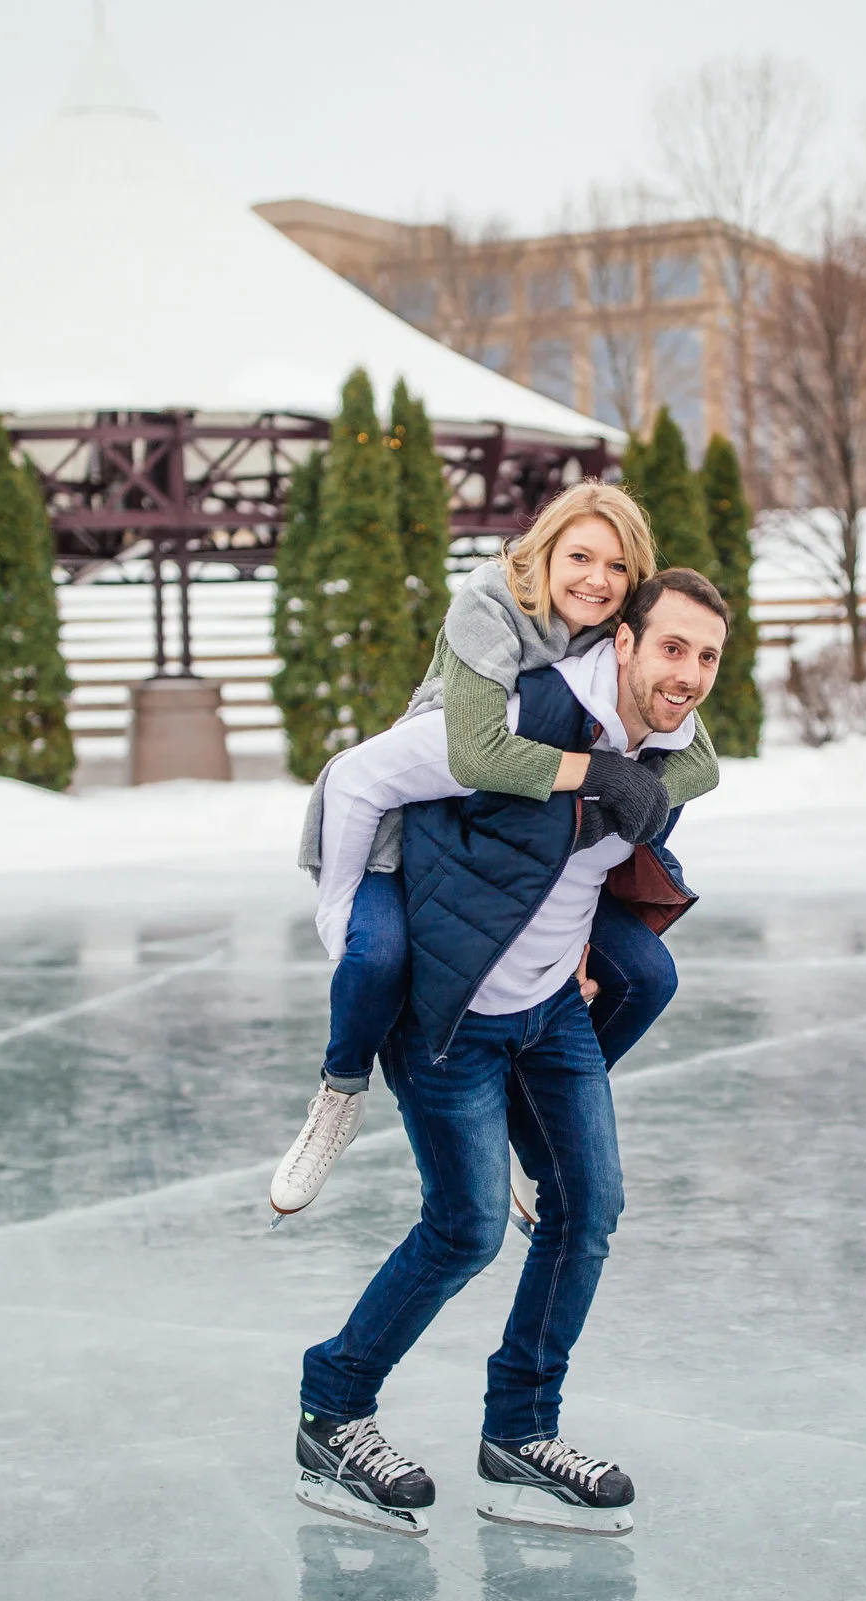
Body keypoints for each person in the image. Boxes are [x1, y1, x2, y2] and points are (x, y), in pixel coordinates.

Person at [290, 569, 731, 1539]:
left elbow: (592, 869)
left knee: (588, 1208)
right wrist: (350, 936)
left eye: (706, 655)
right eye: (671, 647)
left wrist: (580, 948)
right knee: (467, 1227)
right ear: (621, 642)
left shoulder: (662, 749)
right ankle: (333, 1406)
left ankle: (520, 1433)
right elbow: (358, 779)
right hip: (450, 1015)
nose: (688, 673)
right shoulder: (517, 717)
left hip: (551, 1015)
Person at [273, 483, 720, 1219]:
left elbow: (699, 761)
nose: (596, 580)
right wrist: (339, 910)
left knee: (643, 973)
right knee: (375, 956)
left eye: (616, 567)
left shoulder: (614, 633)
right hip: (418, 811)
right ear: (543, 552)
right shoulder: (491, 605)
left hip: (518, 844)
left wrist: (613, 831)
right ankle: (340, 1090)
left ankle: (527, 1116)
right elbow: (473, 756)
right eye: (579, 556)